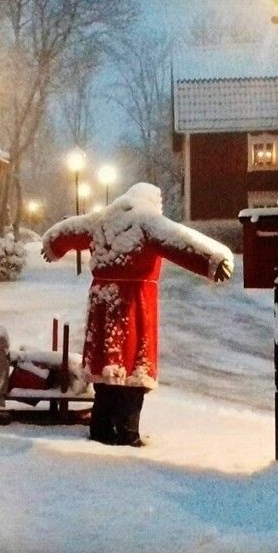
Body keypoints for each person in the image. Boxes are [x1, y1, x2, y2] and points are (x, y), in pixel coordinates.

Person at [41, 183, 234, 446]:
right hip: (134, 306)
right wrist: (214, 261)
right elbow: (179, 241)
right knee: (133, 372)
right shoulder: (147, 221)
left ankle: (101, 428)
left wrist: (53, 245)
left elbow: (71, 229)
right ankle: (128, 433)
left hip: (101, 304)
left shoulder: (102, 219)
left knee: (104, 375)